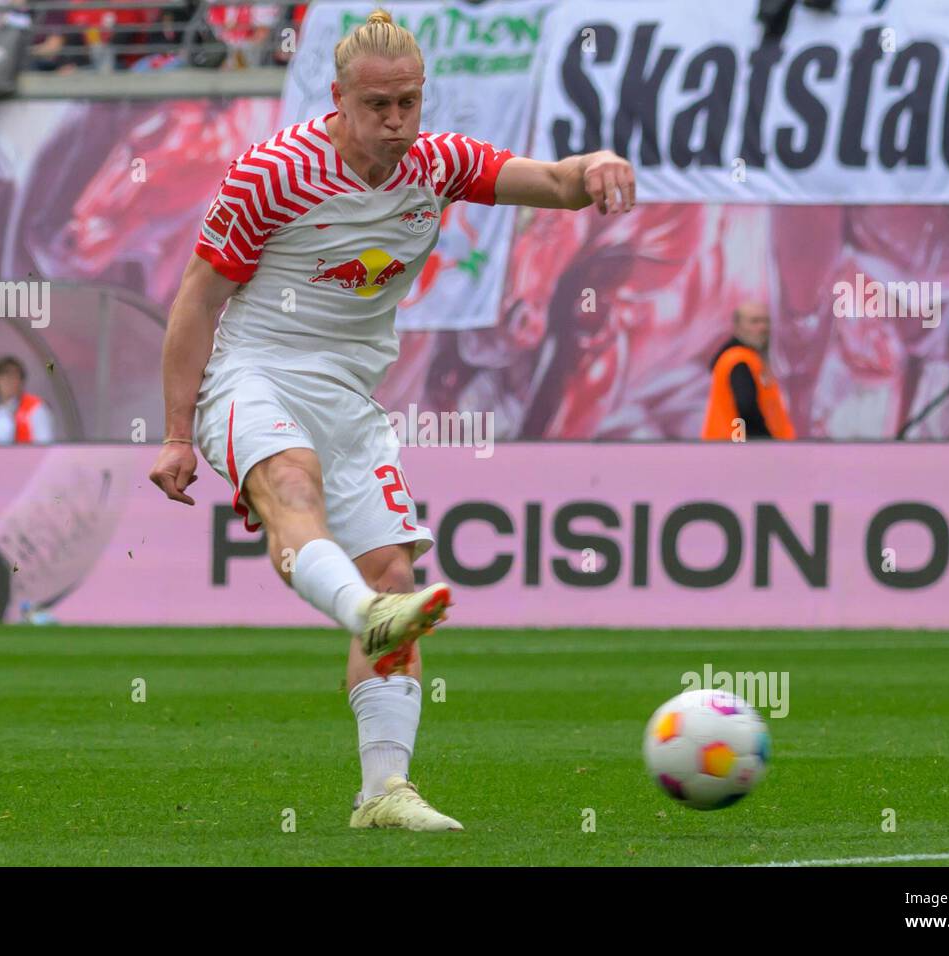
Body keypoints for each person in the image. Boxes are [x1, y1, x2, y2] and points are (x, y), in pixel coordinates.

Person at [148, 9, 635, 831]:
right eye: (378, 106)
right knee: (291, 484)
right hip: (253, 374)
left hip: (351, 399)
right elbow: (197, 298)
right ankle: (363, 616)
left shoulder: (436, 164)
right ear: (337, 98)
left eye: (409, 102)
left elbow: (554, 183)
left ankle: (383, 792)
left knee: (395, 578)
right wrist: (172, 431)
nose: (397, 122)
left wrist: (598, 163)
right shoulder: (272, 172)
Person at [701, 301, 795, 441]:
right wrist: (767, 444)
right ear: (737, 326)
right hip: (739, 451)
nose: (763, 327)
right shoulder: (738, 360)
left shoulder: (748, 358)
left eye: (766, 321)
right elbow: (746, 408)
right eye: (754, 321)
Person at [0, 356, 55, 445]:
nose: (9, 380)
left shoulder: (36, 406)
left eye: (14, 375)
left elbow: (44, 445)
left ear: (21, 380)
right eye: (4, 375)